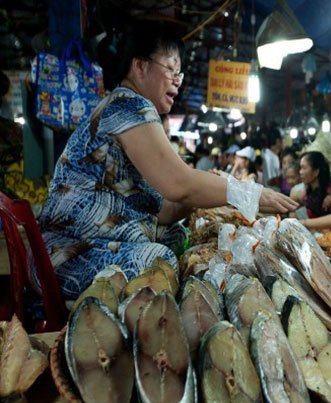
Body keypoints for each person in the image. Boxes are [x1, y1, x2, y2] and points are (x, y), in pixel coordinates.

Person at [35, 21, 296, 300]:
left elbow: (165, 210)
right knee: (159, 262)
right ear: (140, 66)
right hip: (67, 257)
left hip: (81, 248)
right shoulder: (128, 105)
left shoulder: (128, 111)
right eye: (171, 69)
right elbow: (178, 184)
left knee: (176, 237)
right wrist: (249, 194)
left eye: (179, 73)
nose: (177, 80)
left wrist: (214, 186)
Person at [299, 151, 331, 218]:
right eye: (300, 168)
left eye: (304, 168)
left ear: (316, 172)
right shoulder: (307, 191)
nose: (300, 172)